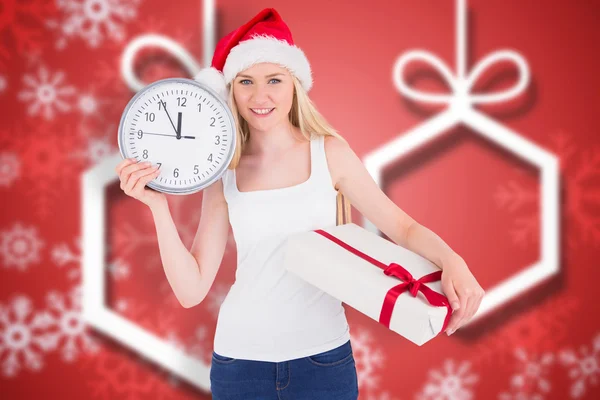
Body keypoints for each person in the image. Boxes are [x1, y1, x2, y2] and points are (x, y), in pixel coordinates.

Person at [115, 7, 485, 400]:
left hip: (323, 363)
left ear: (294, 84)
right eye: (246, 82)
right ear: (231, 90)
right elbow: (191, 290)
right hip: (239, 365)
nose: (260, 96)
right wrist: (157, 207)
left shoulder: (331, 154)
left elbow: (403, 228)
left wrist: (454, 262)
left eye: (274, 79)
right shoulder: (223, 170)